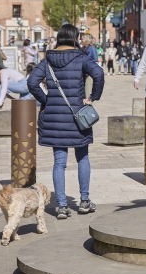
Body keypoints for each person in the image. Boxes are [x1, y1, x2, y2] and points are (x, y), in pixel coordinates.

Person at [28, 24, 105, 219]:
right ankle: (84, 201)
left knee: (59, 162)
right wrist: (92, 97)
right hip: (78, 116)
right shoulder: (81, 58)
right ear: (75, 38)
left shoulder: (48, 59)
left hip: (55, 118)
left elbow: (32, 82)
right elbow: (99, 74)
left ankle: (61, 206)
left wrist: (46, 100)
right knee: (83, 158)